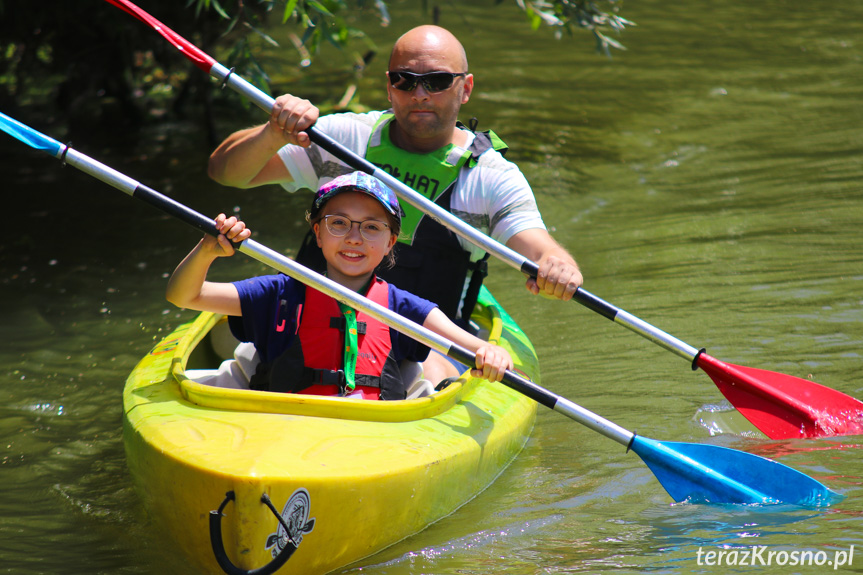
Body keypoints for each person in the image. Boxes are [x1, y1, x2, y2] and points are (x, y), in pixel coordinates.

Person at [208, 25, 583, 319]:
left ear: (465, 88)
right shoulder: (345, 137)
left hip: (418, 343)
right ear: (389, 87)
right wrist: (273, 132)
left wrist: (558, 268)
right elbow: (226, 173)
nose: (420, 93)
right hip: (306, 318)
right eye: (405, 80)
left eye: (437, 81)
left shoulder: (490, 177)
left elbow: (539, 248)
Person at [166, 171, 513, 400]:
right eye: (339, 223)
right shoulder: (278, 294)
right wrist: (206, 251)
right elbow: (184, 296)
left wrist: (492, 354)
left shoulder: (404, 307)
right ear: (317, 232)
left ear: (391, 243)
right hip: (283, 428)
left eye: (372, 228)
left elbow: (471, 344)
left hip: (371, 437)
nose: (354, 238)